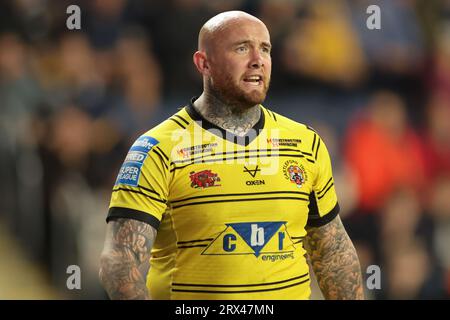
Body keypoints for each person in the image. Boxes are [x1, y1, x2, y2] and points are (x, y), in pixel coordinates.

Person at [99, 10, 364, 300]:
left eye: (265, 49)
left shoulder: (305, 144)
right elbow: (120, 263)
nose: (257, 59)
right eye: (241, 48)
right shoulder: (157, 149)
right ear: (204, 63)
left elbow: (333, 254)